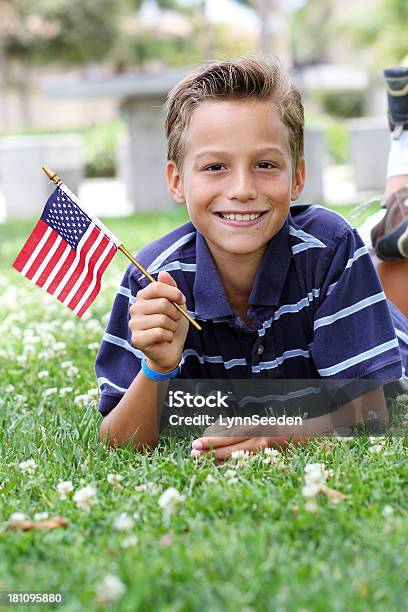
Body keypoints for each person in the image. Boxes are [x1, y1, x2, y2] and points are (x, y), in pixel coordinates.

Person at [96, 57, 408, 459]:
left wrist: (275, 432)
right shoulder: (154, 279)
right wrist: (157, 368)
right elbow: (117, 441)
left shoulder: (330, 249)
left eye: (265, 165)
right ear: (177, 181)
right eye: (215, 166)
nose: (242, 189)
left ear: (297, 178)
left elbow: (378, 411)